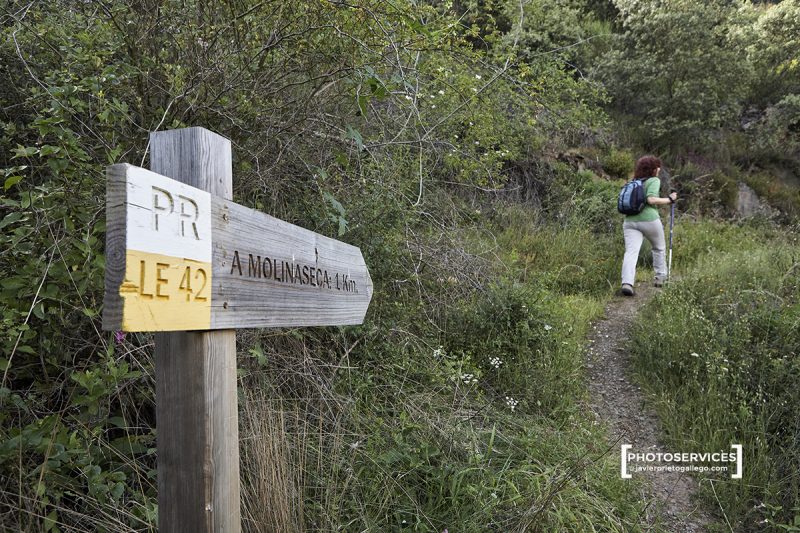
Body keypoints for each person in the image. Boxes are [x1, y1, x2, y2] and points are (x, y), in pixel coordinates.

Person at [621, 155, 677, 296]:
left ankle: (627, 283)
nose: (659, 169)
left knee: (631, 252)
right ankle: (660, 277)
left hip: (630, 221)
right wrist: (669, 200)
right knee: (659, 247)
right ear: (653, 169)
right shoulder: (653, 180)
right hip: (649, 220)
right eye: (657, 167)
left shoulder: (634, 182)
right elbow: (651, 199)